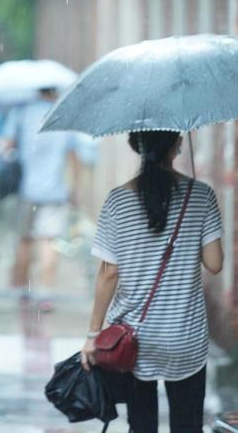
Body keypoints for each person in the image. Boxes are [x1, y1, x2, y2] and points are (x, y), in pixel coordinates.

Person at [81, 130, 224, 433]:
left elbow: (109, 273)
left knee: (142, 425)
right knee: (187, 425)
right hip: (185, 337)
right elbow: (214, 264)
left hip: (134, 339)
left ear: (137, 147)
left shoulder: (118, 200)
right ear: (177, 146)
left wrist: (93, 333)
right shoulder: (201, 195)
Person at [2, 88, 79, 296]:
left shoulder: (21, 114)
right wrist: (74, 189)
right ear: (53, 92)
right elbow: (73, 156)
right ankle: (45, 293)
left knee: (24, 240)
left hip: (28, 189)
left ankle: (20, 287)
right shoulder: (63, 116)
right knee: (48, 241)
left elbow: (5, 147)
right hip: (56, 191)